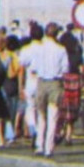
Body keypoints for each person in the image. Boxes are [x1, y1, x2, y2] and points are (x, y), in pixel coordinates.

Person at [20, 21, 69, 156]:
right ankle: (49, 148)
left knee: (41, 116)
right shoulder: (61, 49)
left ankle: (39, 145)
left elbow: (33, 67)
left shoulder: (39, 48)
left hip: (40, 82)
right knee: (53, 116)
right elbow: (66, 68)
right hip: (55, 83)